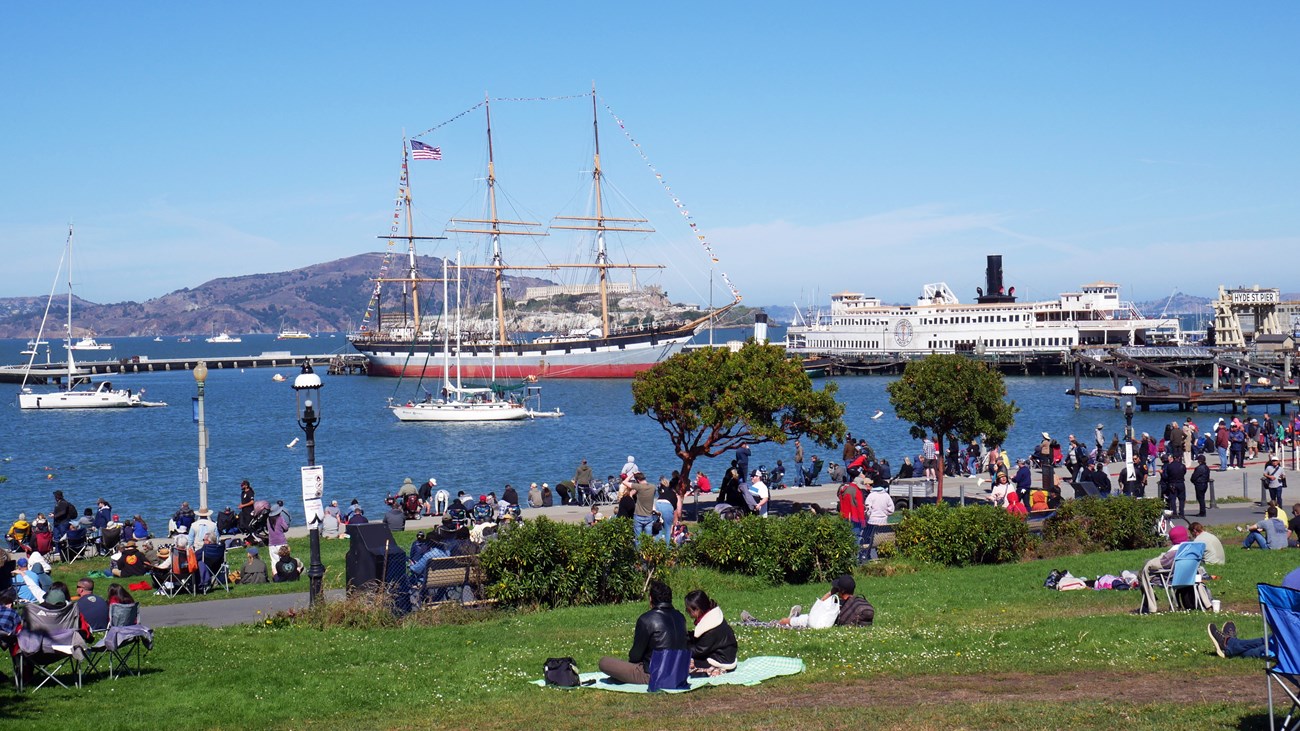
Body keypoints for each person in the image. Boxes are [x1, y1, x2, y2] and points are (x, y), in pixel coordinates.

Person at [597, 580, 689, 689]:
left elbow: (635, 656)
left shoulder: (647, 619)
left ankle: (622, 677)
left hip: (654, 675)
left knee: (604, 662)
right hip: (679, 674)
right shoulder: (680, 617)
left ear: (651, 598)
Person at [740, 574, 875, 628]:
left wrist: (830, 593)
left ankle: (754, 623)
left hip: (811, 621)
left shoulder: (837, 604)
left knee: (782, 622)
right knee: (791, 621)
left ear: (842, 591)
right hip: (818, 621)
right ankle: (793, 617)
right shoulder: (852, 603)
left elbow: (818, 607)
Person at [683, 589, 737, 676]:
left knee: (683, 662)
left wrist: (682, 646)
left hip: (721, 660)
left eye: (688, 610)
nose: (687, 612)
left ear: (697, 609)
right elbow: (701, 640)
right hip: (725, 654)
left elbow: (699, 651)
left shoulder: (711, 628)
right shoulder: (713, 619)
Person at [863, 480, 894, 555]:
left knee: (868, 539)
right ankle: (882, 554)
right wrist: (885, 513)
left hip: (872, 521)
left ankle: (867, 555)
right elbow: (891, 509)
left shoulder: (871, 496)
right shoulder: (886, 495)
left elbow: (867, 509)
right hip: (883, 521)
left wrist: (868, 515)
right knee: (881, 539)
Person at [655, 478, 678, 545]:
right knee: (668, 528)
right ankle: (667, 548)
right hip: (667, 505)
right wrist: (674, 522)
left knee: (658, 527)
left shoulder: (663, 493)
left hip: (658, 503)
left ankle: (656, 547)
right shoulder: (674, 494)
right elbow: (674, 510)